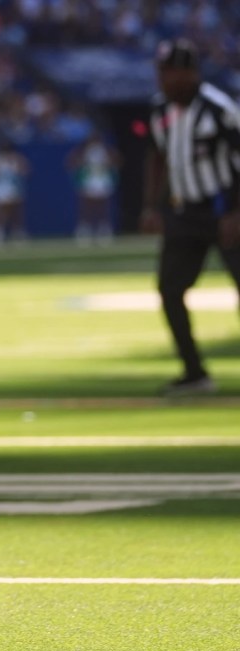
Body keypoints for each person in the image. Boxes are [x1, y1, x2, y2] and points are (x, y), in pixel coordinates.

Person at [139, 38, 240, 396]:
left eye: (170, 73)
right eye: (161, 72)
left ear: (189, 73)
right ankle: (195, 372)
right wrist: (152, 205)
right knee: (169, 289)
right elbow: (156, 156)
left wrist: (236, 211)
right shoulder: (159, 111)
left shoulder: (219, 109)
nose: (164, 80)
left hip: (225, 209)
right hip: (184, 212)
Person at [68, 130, 120, 246]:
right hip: (89, 181)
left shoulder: (105, 151)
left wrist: (108, 162)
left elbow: (117, 161)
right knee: (86, 206)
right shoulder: (84, 151)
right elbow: (71, 162)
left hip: (102, 181)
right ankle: (84, 229)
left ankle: (104, 229)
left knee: (103, 207)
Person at [0, 135, 30, 248]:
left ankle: (17, 233)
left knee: (15, 211)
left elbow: (25, 170)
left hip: (13, 186)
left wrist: (18, 169)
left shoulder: (16, 158)